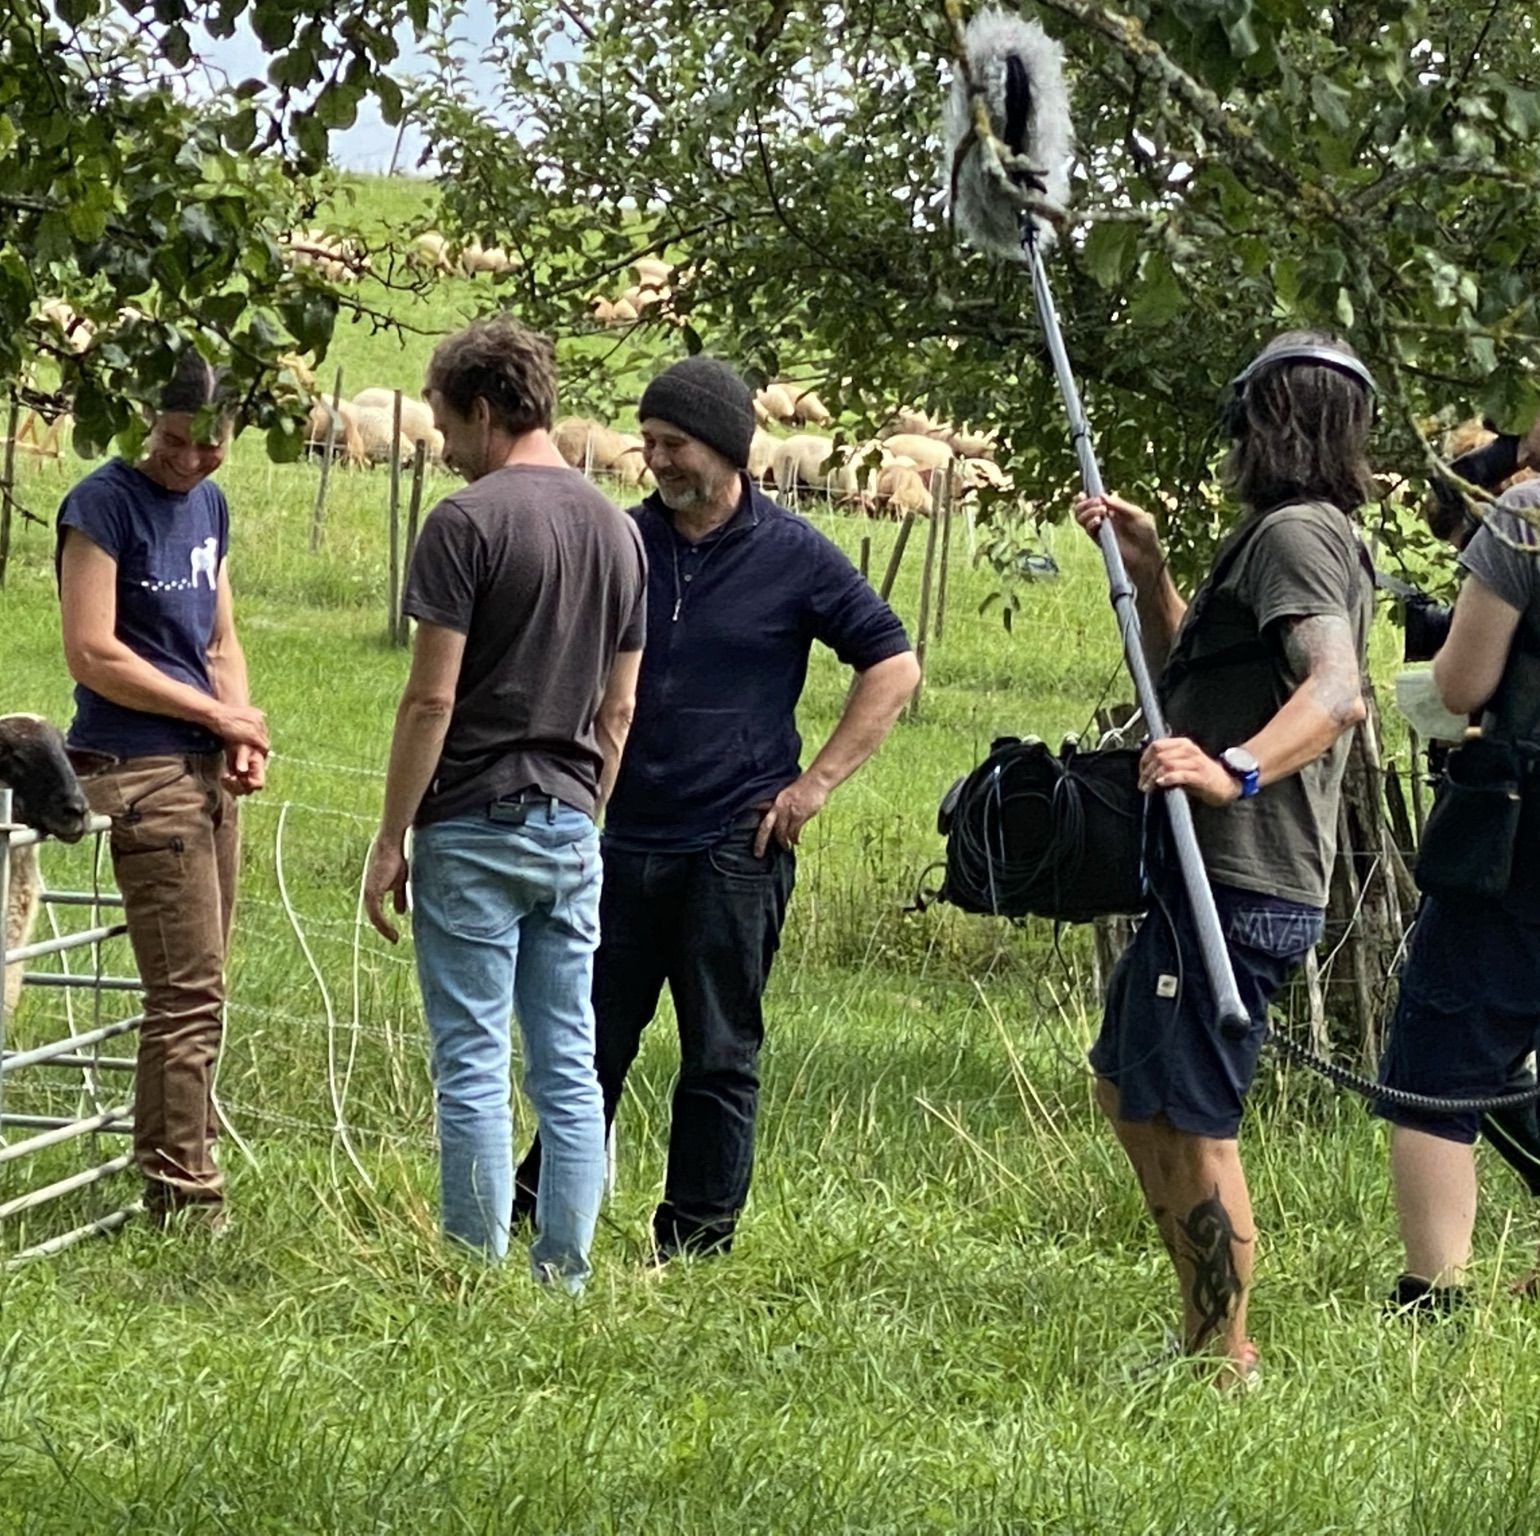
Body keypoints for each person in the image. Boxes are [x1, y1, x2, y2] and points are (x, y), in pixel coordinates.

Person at [514, 355, 919, 1263]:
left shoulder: (796, 555)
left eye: (676, 444)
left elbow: (893, 666)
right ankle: (537, 1213)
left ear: (728, 448)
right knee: (587, 1042)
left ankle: (695, 1242)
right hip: (615, 835)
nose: (656, 460)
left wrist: (814, 785)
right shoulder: (622, 541)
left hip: (736, 843)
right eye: (649, 442)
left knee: (719, 1051)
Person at [1073, 330, 1378, 1384]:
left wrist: (1233, 771)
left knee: (1195, 1119)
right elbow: (1191, 678)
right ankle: (1199, 1335)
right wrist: (1154, 575)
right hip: (1201, 873)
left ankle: (1224, 1357)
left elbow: (1336, 691)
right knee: (1129, 1091)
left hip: (1243, 881)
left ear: (1264, 419)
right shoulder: (1272, 537)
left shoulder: (1298, 536)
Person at [363, 317, 646, 1293]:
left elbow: (431, 699)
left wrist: (392, 836)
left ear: (484, 411)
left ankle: (474, 1272)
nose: (443, 448)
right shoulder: (620, 530)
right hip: (570, 822)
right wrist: (584, 812)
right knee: (569, 1060)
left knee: (473, 1059)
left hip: (472, 819)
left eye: (447, 426)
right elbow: (619, 708)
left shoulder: (465, 523)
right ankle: (564, 1276)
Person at [56, 348, 267, 1227]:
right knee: (187, 990)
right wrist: (214, 716)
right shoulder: (100, 506)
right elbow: (93, 651)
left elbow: (218, 639)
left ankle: (180, 1165)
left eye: (209, 444)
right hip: (135, 765)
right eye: (174, 440)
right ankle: (185, 1195)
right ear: (146, 420)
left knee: (203, 983)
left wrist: (239, 726)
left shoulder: (210, 505)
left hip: (204, 760)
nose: (188, 460)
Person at [1378, 472, 1540, 1311]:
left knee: (1439, 1067)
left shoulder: (1528, 516)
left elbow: (1461, 685)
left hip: (1519, 840)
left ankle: (1433, 1295)